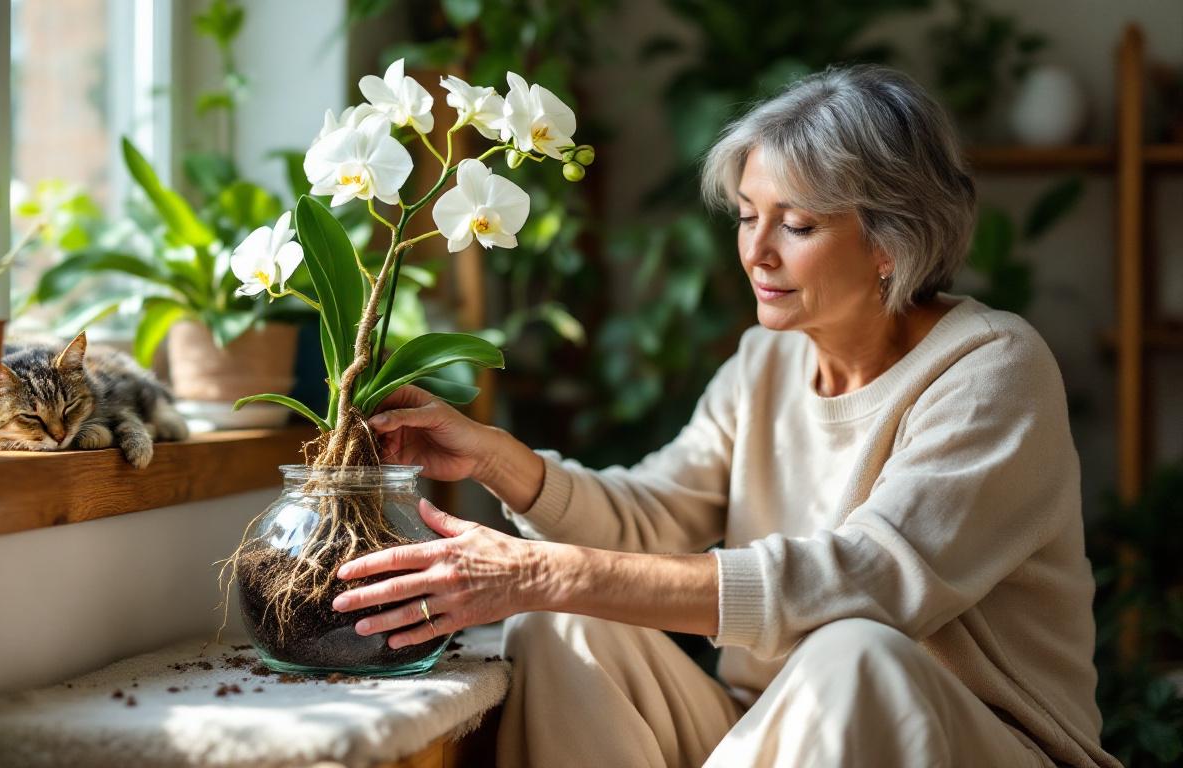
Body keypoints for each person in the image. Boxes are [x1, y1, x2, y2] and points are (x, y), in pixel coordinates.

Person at [329, 65, 1119, 768]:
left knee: (854, 653)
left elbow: (866, 585)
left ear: (892, 240)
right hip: (773, 730)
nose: (757, 251)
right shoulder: (766, 361)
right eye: (747, 214)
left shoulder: (991, 369)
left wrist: (543, 570)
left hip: (974, 742)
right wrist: (497, 460)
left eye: (798, 225)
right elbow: (652, 517)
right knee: (557, 624)